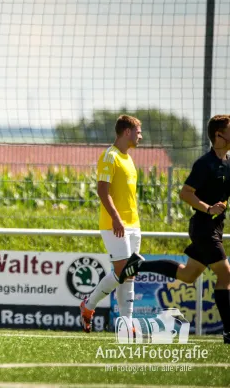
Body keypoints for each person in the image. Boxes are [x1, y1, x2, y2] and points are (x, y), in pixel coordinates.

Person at [120, 115, 230, 344]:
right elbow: (185, 193)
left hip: (216, 227)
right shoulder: (204, 164)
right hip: (203, 227)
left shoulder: (228, 162)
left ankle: (137, 264)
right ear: (219, 135)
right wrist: (209, 208)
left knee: (188, 275)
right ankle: (229, 331)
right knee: (225, 273)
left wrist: (220, 206)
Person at [79, 115, 143, 332]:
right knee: (123, 269)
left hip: (133, 224)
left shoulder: (129, 158)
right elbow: (102, 190)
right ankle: (88, 304)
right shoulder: (110, 156)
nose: (140, 136)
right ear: (127, 132)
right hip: (114, 223)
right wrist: (116, 218)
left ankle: (126, 324)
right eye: (138, 131)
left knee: (129, 273)